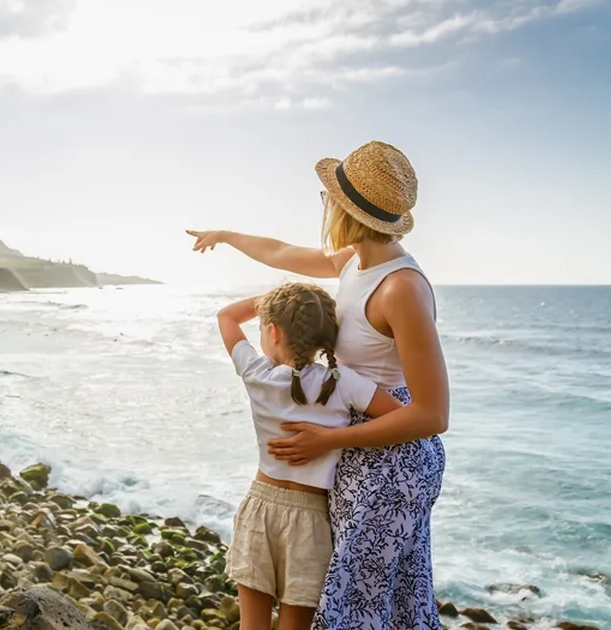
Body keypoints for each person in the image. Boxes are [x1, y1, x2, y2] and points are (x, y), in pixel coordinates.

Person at [188, 140, 449, 629]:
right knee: (355, 605)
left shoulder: (402, 289)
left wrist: (329, 439)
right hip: (356, 445)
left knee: (363, 610)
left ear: (345, 207)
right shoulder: (355, 262)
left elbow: (432, 416)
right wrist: (225, 234)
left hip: (389, 465)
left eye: (328, 196)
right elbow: (282, 253)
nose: (325, 204)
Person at [217, 282, 403, 630]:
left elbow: (227, 316)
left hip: (260, 508)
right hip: (311, 518)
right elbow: (401, 416)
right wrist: (335, 438)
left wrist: (280, 302)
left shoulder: (257, 373)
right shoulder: (342, 380)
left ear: (272, 330)